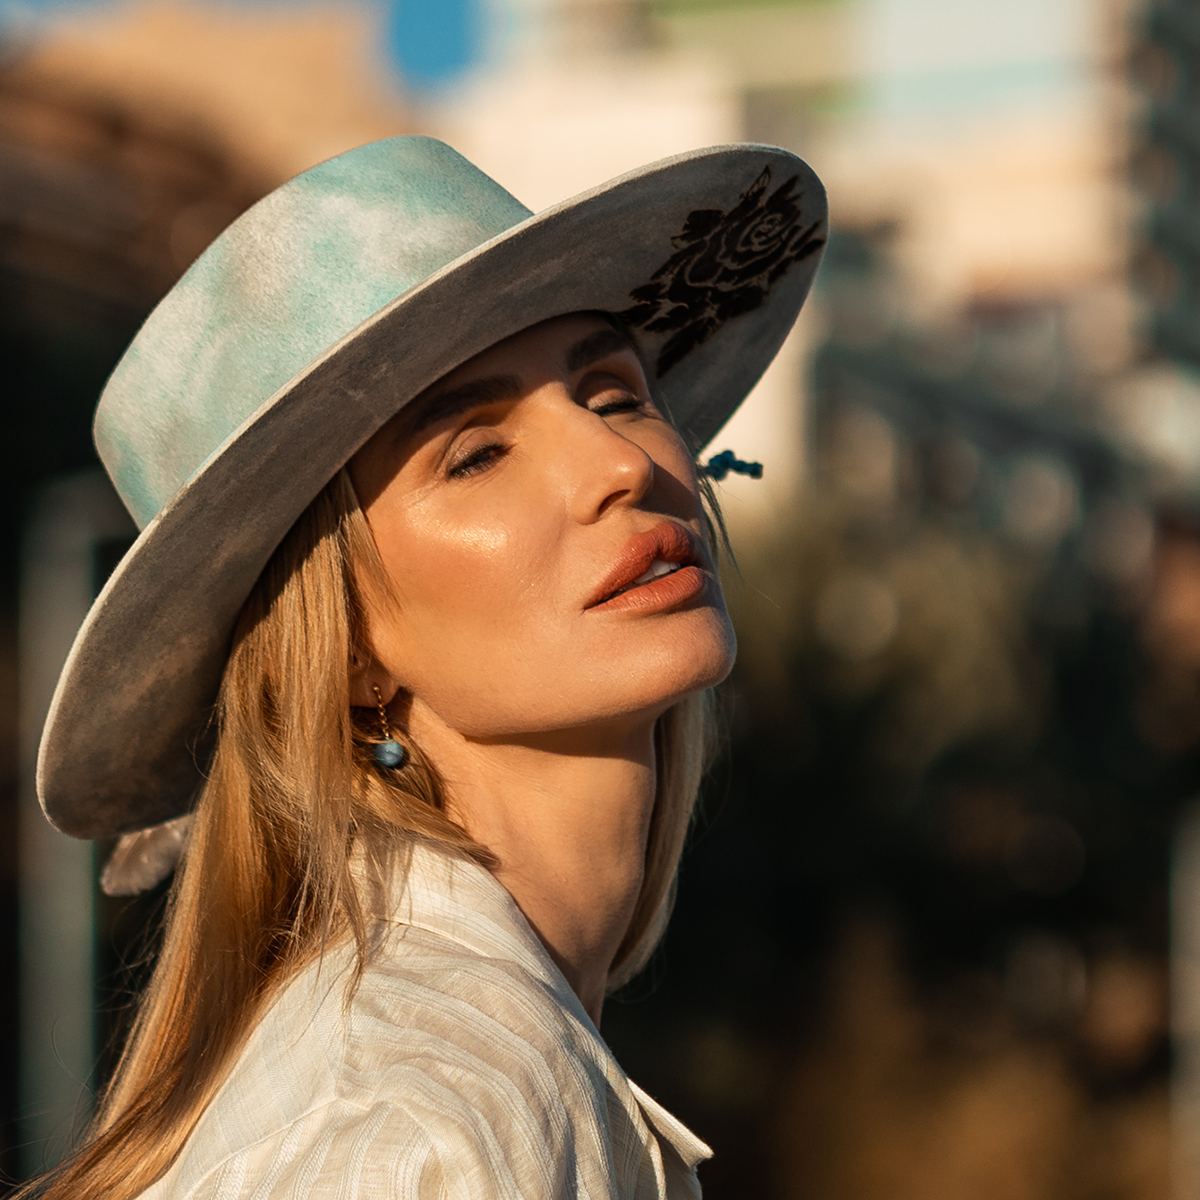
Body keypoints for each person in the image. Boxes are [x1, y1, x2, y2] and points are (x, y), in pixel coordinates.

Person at [29, 136, 826, 1199]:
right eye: (477, 453)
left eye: (613, 391)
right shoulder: (419, 1126)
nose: (622, 464)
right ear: (346, 648)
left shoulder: (484, 1071)